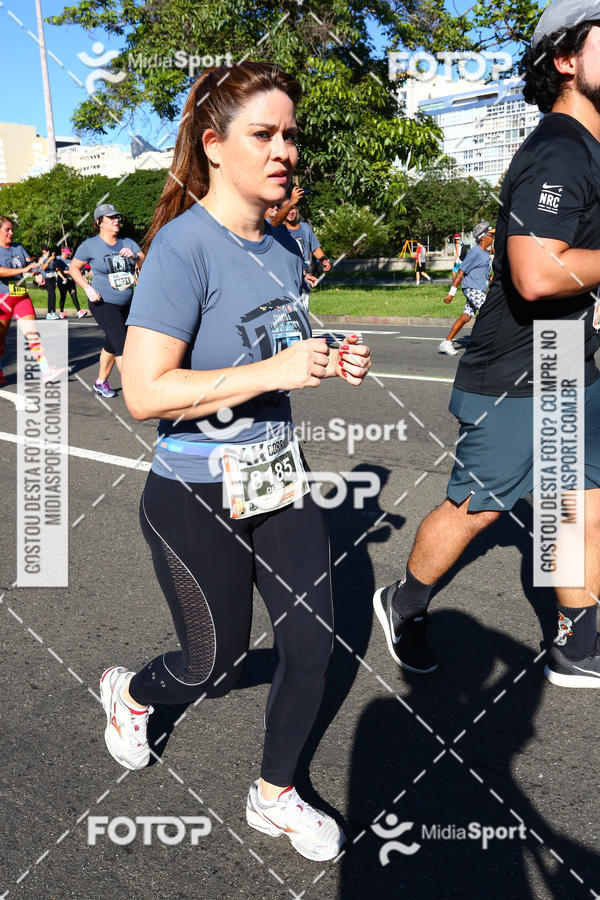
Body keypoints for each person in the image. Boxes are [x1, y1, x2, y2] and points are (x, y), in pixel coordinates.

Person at [99, 61, 371, 861]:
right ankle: (134, 696)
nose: (284, 148)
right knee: (211, 660)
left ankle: (274, 793)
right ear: (214, 146)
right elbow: (145, 391)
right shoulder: (182, 248)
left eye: (291, 133)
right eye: (264, 134)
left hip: (276, 471)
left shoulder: (285, 245)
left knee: (313, 643)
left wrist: (323, 355)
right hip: (194, 489)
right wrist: (274, 373)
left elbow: (273, 347)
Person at [373, 0, 600, 686]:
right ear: (566, 60)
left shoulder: (590, 147)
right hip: (515, 374)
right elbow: (536, 272)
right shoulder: (559, 148)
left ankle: (577, 639)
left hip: (567, 363)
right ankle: (403, 601)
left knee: (580, 501)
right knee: (477, 510)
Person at [69, 204, 144, 398]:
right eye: (110, 217)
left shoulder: (128, 242)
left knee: (112, 343)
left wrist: (136, 257)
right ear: (99, 222)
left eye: (117, 217)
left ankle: (100, 382)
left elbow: (146, 262)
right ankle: (136, 390)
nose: (116, 220)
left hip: (128, 303)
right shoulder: (89, 245)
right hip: (103, 302)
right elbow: (73, 269)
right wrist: (87, 287)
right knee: (121, 343)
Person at [0, 217, 63, 386]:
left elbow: (32, 265)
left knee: (33, 334)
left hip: (21, 296)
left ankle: (46, 371)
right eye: (7, 229)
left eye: (12, 229)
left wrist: (38, 275)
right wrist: (23, 270)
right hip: (3, 298)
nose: (11, 233)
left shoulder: (18, 248)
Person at [438, 222, 495, 356]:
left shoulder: (485, 253)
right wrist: (451, 294)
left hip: (479, 288)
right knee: (488, 312)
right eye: (491, 235)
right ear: (483, 237)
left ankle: (446, 342)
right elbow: (461, 272)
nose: (493, 238)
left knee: (466, 317)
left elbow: (485, 275)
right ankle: (482, 343)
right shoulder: (475, 252)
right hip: (472, 288)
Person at [280, 203, 331, 287]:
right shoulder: (279, 230)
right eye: (287, 209)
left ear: (296, 209)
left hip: (305, 277)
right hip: (287, 278)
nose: (290, 211)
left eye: (293, 208)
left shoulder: (305, 227)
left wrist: (323, 259)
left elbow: (314, 247)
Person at [55, 247, 87, 318]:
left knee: (74, 295)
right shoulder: (59, 260)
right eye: (66, 254)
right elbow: (58, 270)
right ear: (62, 252)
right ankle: (61, 312)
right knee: (63, 297)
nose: (68, 255)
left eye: (68, 254)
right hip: (62, 281)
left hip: (71, 281)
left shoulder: (70, 260)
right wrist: (69, 272)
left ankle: (79, 312)